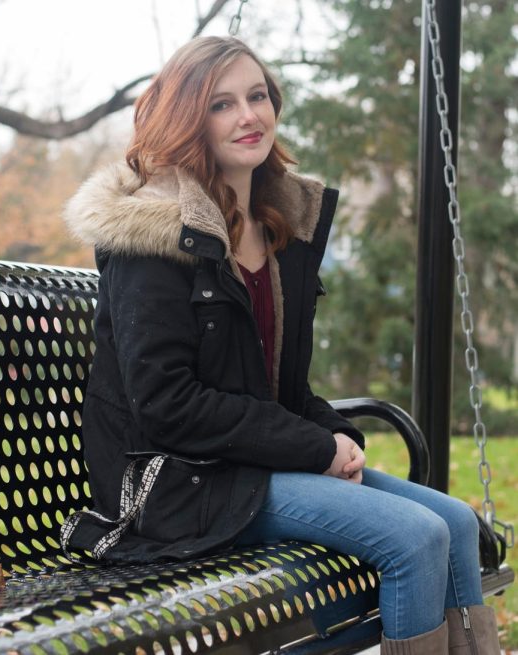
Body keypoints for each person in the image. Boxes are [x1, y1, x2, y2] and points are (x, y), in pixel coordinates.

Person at [61, 36, 498, 654]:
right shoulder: (155, 237)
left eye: (258, 96)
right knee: (415, 538)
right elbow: (167, 404)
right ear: (186, 118)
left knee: (454, 523)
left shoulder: (276, 228)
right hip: (173, 482)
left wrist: (333, 438)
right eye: (221, 104)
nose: (248, 116)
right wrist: (317, 445)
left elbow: (278, 390)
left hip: (243, 463)